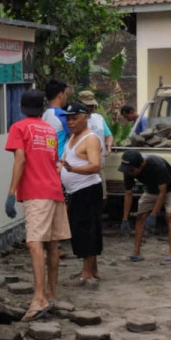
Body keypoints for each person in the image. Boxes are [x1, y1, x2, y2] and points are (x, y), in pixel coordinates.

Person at [4, 88, 71, 319]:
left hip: (36, 192)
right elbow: (53, 161)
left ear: (21, 107)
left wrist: (11, 192)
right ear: (42, 108)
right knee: (52, 244)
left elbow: (20, 158)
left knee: (34, 243)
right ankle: (51, 293)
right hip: (54, 190)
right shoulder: (49, 129)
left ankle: (39, 298)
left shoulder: (19, 128)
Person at [59, 101, 104, 286]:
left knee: (87, 229)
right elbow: (64, 161)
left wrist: (72, 169)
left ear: (85, 117)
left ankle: (87, 273)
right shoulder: (72, 137)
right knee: (79, 229)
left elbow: (95, 166)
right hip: (75, 191)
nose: (70, 122)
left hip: (88, 190)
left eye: (75, 118)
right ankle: (91, 269)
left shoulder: (90, 138)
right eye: (68, 119)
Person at [119, 149, 171, 264]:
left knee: (169, 216)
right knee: (140, 217)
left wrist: (154, 214)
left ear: (140, 166)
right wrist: (125, 218)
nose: (129, 173)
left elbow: (162, 192)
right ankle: (136, 253)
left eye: (132, 171)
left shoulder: (156, 165)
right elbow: (128, 193)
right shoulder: (128, 168)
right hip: (152, 187)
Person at [78, 90, 114, 156]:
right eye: (87, 105)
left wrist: (108, 145)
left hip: (100, 160)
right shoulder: (75, 121)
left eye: (92, 105)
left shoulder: (99, 118)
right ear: (79, 103)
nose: (90, 108)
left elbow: (108, 135)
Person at [41, 79, 71, 154]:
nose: (66, 97)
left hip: (48, 160)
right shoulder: (63, 115)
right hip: (61, 161)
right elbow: (75, 138)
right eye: (66, 94)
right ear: (61, 95)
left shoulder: (44, 115)